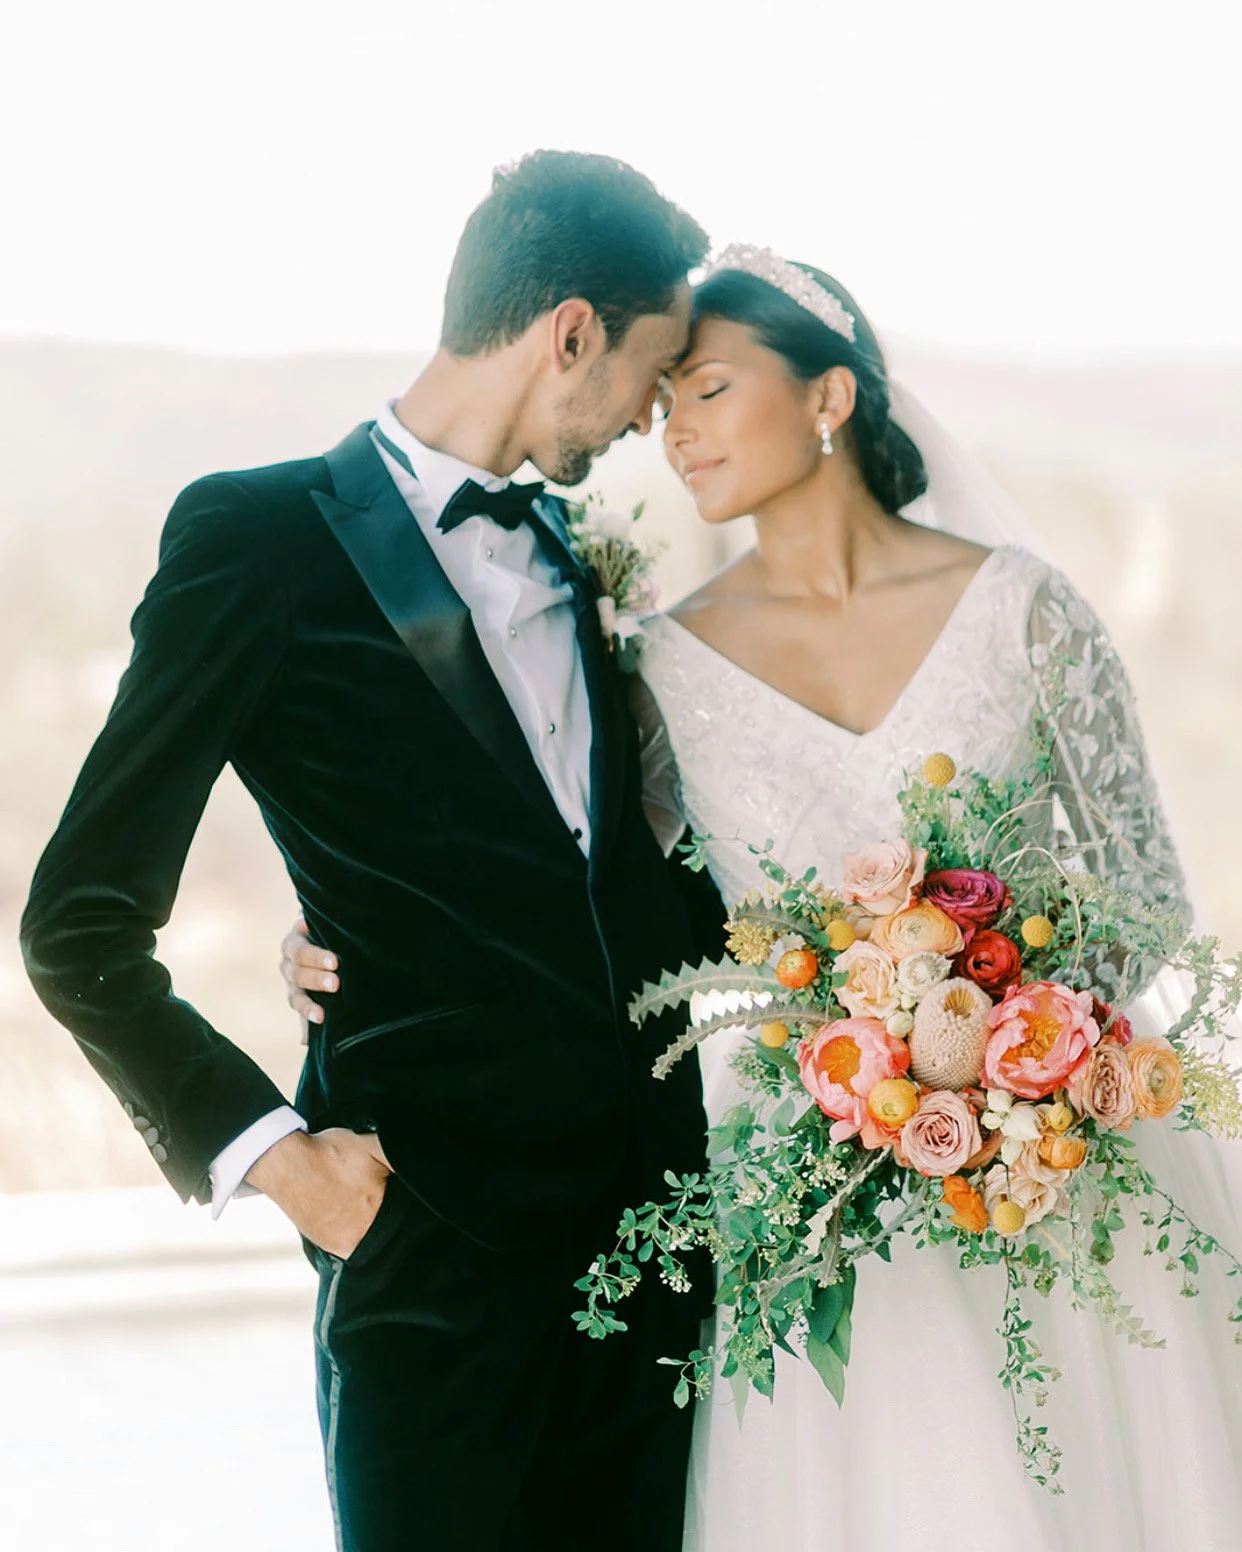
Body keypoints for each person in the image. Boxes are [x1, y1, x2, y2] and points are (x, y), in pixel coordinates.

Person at [286, 245, 1242, 1549]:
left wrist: (996, 1060)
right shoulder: (659, 669)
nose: (672, 431)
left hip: (1061, 1164)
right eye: (662, 399)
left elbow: (1144, 897)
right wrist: (351, 934)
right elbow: (574, 914)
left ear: (829, 398)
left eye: (710, 389)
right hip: (804, 1184)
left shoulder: (1024, 612)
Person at [20, 150, 728, 1552]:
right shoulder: (256, 539)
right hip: (427, 1252)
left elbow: (589, 877)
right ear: (568, 332)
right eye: (648, 371)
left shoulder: (577, 554)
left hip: (657, 1248)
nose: (652, 417)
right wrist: (282, 1162)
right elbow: (77, 923)